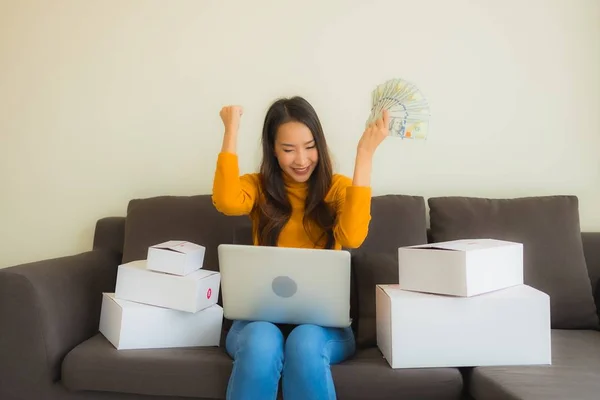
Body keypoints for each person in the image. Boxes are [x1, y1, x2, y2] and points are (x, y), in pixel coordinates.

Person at [211, 96, 389, 400]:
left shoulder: (336, 189)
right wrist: (231, 130)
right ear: (273, 150)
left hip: (323, 328)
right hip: (257, 323)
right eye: (288, 149)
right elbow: (227, 201)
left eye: (309, 147)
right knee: (261, 342)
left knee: (304, 342)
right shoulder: (258, 186)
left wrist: (365, 155)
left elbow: (353, 236)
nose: (301, 160)